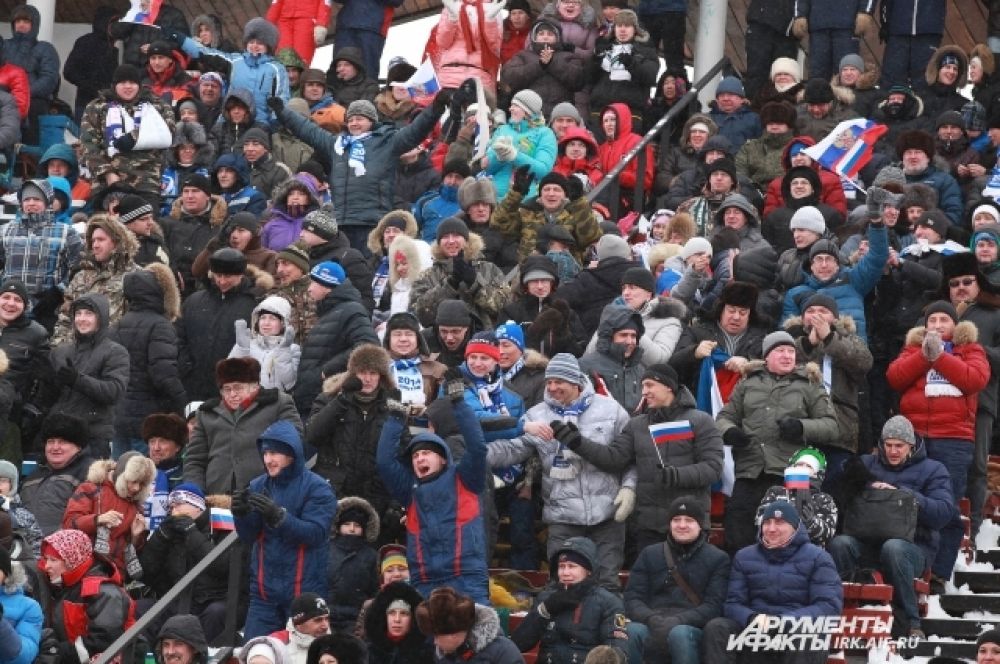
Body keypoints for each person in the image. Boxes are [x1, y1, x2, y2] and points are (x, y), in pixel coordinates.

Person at [488, 353, 633, 586]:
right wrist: (475, 454)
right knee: (562, 587)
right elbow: (511, 450)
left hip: (607, 514)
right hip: (563, 517)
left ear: (575, 381)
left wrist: (629, 488)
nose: (553, 388)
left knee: (606, 583)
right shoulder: (537, 415)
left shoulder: (611, 410)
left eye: (559, 382)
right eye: (549, 382)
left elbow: (628, 456)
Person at [566, 363, 723, 553]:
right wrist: (577, 443)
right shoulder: (637, 425)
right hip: (649, 526)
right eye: (642, 387)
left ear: (668, 386)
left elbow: (713, 468)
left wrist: (677, 475)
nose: (644, 392)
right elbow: (614, 458)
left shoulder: (701, 420)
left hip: (689, 522)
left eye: (649, 385)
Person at [887, 301, 990, 588]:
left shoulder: (970, 349)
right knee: (911, 500)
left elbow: (975, 379)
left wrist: (940, 358)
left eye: (944, 319)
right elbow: (895, 377)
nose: (937, 325)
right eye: (932, 320)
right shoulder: (913, 349)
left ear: (955, 326)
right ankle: (914, 564)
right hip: (915, 437)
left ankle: (940, 572)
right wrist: (924, 356)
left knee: (947, 504)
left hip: (954, 439)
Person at [268, 90, 450, 251]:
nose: (354, 123)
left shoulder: (388, 142)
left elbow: (416, 130)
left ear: (371, 121)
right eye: (351, 119)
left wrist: (436, 106)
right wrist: (282, 111)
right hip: (340, 223)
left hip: (372, 222)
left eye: (360, 119)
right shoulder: (337, 145)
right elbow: (307, 130)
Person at [828, 416, 955, 638]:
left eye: (899, 446)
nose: (893, 451)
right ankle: (843, 612)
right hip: (866, 542)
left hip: (913, 547)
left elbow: (943, 513)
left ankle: (911, 623)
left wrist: (903, 495)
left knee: (893, 548)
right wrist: (860, 483)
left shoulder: (934, 470)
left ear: (911, 446)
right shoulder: (867, 463)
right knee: (840, 543)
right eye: (888, 445)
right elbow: (838, 492)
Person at [716, 331, 840, 553]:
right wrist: (730, 431)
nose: (787, 356)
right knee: (737, 535)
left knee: (782, 539)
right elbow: (724, 417)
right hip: (749, 471)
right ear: (767, 356)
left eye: (791, 351)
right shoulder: (747, 383)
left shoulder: (809, 384)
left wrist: (801, 427)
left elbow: (832, 426)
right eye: (781, 351)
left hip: (787, 476)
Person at [377, 374, 489, 603]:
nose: (419, 459)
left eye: (427, 453)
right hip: (424, 580)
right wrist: (396, 419)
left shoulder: (465, 479)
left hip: (466, 576)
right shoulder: (410, 490)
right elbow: (384, 463)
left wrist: (459, 403)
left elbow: (477, 448)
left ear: (444, 459)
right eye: (416, 455)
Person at [232, 420, 338, 638]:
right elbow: (248, 535)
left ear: (292, 453)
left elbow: (316, 534)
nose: (268, 459)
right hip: (264, 595)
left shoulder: (318, 487)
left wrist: (280, 517)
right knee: (255, 655)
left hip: (304, 596)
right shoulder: (257, 485)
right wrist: (241, 514)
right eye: (265, 453)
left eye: (275, 453)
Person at [702, 501, 843, 664]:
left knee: (807, 633)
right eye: (767, 523)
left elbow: (828, 607)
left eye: (780, 522)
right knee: (717, 627)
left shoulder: (818, 557)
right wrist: (752, 618)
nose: (771, 528)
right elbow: (733, 604)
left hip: (795, 632)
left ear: (795, 527)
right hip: (756, 631)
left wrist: (783, 621)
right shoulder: (744, 556)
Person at [306, 345, 404, 540]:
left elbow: (401, 455)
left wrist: (395, 502)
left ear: (382, 376)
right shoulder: (329, 399)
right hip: (333, 493)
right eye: (361, 372)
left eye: (373, 373)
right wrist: (342, 400)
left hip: (376, 497)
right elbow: (312, 435)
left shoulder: (392, 407)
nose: (367, 379)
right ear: (352, 374)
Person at [625, 497, 730, 664]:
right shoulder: (649, 553)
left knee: (679, 634)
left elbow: (714, 605)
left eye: (689, 520)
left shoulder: (718, 559)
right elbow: (633, 597)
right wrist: (650, 619)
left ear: (700, 524)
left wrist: (679, 620)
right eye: (676, 520)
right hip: (652, 621)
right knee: (631, 631)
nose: (682, 525)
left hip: (691, 627)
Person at [783, 294, 873, 486]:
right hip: (799, 426)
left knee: (834, 488)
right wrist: (808, 344)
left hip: (839, 429)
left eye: (823, 311)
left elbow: (864, 362)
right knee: (798, 488)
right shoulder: (789, 339)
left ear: (835, 318)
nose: (816, 315)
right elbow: (778, 365)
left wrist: (830, 338)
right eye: (810, 311)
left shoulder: (849, 339)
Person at [512, 537, 644, 663]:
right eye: (561, 566)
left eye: (572, 566)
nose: (565, 572)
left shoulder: (608, 602)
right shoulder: (546, 598)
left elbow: (618, 650)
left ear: (589, 570)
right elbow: (518, 645)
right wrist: (543, 611)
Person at [182, 357, 303, 494]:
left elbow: (293, 442)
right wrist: (195, 492)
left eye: (238, 387)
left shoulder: (277, 403)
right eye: (227, 389)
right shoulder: (207, 413)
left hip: (266, 492)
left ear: (255, 386)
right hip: (218, 495)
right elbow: (194, 460)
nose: (232, 394)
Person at [176, 249, 267, 401]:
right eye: (218, 275)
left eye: (228, 276)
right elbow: (179, 336)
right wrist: (186, 367)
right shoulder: (194, 301)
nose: (222, 281)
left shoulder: (255, 304)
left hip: (234, 387)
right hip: (194, 384)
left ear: (241, 275)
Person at [46, 293, 130, 458]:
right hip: (60, 434)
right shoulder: (61, 351)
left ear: (101, 318)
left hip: (93, 437)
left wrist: (78, 380)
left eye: (89, 313)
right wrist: (47, 379)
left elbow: (114, 391)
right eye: (78, 313)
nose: (82, 319)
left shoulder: (115, 352)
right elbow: (52, 397)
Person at [80, 64, 176, 206]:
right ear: (114, 85)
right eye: (123, 82)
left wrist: (133, 138)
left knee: (145, 226)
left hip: (146, 182)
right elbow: (89, 145)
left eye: (132, 82)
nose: (128, 87)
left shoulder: (156, 106)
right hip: (107, 184)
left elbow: (168, 132)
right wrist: (108, 174)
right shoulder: (96, 107)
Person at [293, 261, 379, 415]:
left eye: (314, 282)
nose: (309, 288)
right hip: (312, 400)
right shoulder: (329, 311)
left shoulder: (350, 310)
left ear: (327, 286)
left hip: (328, 401)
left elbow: (368, 345)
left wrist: (327, 371)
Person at [39, 529, 134, 663]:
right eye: (46, 559)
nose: (46, 566)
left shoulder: (104, 592)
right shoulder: (61, 586)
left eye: (53, 560)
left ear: (72, 559)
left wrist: (56, 653)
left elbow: (103, 641)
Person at [0, 180, 83, 331]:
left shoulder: (66, 232)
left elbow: (79, 269)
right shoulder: (5, 231)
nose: (31, 203)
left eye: (37, 199)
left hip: (49, 310)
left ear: (48, 202)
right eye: (26, 199)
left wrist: (58, 292)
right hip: (11, 308)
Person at [177, 19, 290, 128]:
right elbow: (206, 54)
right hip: (230, 121)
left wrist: (276, 125)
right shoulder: (235, 61)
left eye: (259, 43)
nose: (254, 46)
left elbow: (282, 98)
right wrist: (181, 40)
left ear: (268, 46)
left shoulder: (276, 69)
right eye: (251, 42)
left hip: (261, 125)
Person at [62, 451, 155, 580]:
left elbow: (134, 553)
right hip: (82, 570)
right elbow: (69, 524)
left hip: (115, 576)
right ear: (121, 475)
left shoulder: (137, 507)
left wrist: (135, 537)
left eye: (141, 484)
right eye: (133, 481)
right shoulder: (90, 489)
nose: (136, 488)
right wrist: (98, 520)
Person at [51, 215, 140, 347]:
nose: (95, 245)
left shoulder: (135, 276)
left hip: (115, 354)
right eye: (93, 241)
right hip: (78, 354)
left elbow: (138, 324)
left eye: (101, 240)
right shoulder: (80, 277)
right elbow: (66, 317)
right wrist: (58, 349)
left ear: (117, 242)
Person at [410, 218, 512, 330]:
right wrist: (449, 285)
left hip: (483, 338)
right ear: (439, 243)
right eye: (445, 237)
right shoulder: (427, 275)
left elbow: (504, 307)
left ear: (466, 240)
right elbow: (420, 314)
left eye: (456, 235)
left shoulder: (489, 269)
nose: (451, 241)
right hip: (442, 338)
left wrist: (475, 285)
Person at [20, 415, 93, 536]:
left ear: (78, 446)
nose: (55, 447)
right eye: (50, 442)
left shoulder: (90, 474)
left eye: (62, 442)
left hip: (65, 547)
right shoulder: (33, 475)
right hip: (27, 547)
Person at [160, 173, 230, 298]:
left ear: (208, 196)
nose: (189, 196)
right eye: (186, 191)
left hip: (209, 291)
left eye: (195, 191)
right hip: (172, 290)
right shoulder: (166, 224)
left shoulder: (221, 226)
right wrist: (171, 271)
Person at [415, 587, 522, 663]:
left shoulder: (503, 652)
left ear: (453, 634)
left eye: (437, 636)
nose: (435, 642)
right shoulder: (443, 655)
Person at [579, 304, 648, 413]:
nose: (629, 341)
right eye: (623, 335)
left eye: (633, 336)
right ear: (609, 337)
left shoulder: (641, 370)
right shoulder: (585, 366)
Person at [326, 498, 379, 631]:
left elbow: (374, 588)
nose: (352, 529)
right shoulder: (325, 550)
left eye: (357, 525)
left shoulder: (371, 555)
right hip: (326, 616)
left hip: (356, 618)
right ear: (338, 527)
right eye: (347, 524)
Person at [229, 296, 301, 392]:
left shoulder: (292, 349)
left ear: (283, 323)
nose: (266, 323)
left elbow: (289, 383)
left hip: (276, 403)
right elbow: (229, 375)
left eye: (272, 318)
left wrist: (284, 350)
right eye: (263, 318)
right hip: (246, 402)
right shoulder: (247, 345)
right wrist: (241, 349)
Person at [363, 581, 433, 664]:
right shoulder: (366, 654)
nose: (397, 619)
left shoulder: (427, 654)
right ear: (384, 617)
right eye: (392, 613)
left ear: (413, 619)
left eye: (404, 613)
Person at [271, 593, 331, 664]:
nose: (325, 625)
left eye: (327, 619)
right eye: (318, 620)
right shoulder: (276, 643)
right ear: (299, 624)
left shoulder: (336, 645)